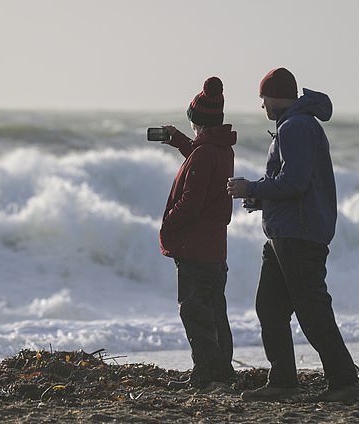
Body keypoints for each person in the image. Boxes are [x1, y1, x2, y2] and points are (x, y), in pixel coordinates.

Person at [227, 68, 359, 403]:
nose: (262, 106)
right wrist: (259, 198)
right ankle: (283, 380)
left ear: (275, 96)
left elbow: (295, 182)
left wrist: (251, 187)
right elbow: (294, 183)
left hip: (298, 235)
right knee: (269, 308)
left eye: (263, 98)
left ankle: (343, 382)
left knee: (312, 312)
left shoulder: (296, 126)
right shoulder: (294, 124)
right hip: (284, 233)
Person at [159, 76, 236, 390]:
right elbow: (201, 158)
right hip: (214, 249)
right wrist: (180, 143)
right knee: (214, 310)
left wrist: (169, 224)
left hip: (195, 248)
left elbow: (192, 200)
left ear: (199, 124)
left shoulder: (204, 155)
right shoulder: (219, 151)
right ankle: (222, 368)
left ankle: (206, 371)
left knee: (194, 311)